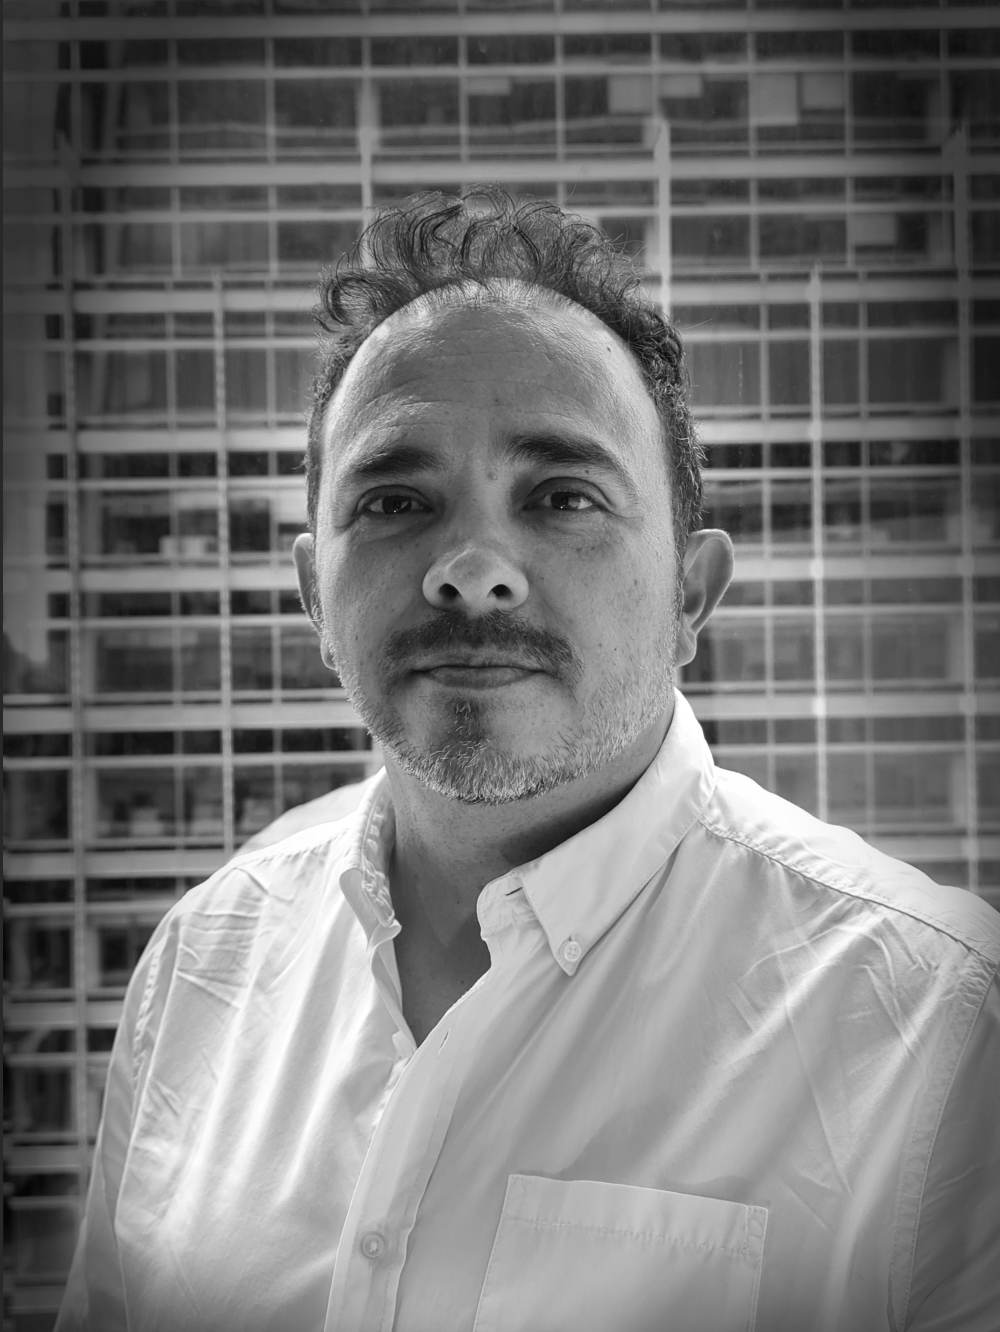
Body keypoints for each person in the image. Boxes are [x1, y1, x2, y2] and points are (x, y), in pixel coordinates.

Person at [58, 190, 998, 1332]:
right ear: (314, 593)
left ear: (689, 596)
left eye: (562, 497)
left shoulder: (940, 1027)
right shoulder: (196, 968)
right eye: (396, 499)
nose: (470, 569)